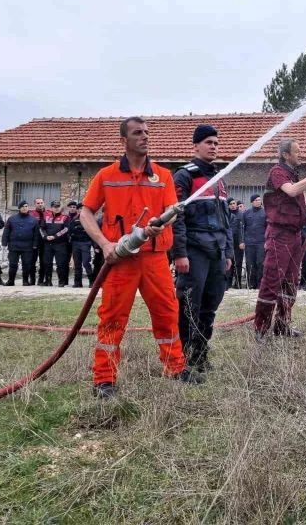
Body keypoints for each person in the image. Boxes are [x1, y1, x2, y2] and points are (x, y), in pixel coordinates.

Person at [80, 116, 189, 399]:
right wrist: (105, 244)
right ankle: (104, 380)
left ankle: (175, 368)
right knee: (113, 318)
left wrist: (160, 224)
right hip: (121, 259)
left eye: (146, 132)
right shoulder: (107, 175)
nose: (144, 137)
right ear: (123, 140)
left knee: (167, 313)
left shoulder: (163, 176)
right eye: (137, 133)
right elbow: (86, 212)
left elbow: (171, 212)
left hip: (155, 259)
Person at [172, 124, 234, 374]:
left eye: (216, 143)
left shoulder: (219, 179)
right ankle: (185, 356)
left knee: (210, 304)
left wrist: (228, 252)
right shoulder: (184, 176)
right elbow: (177, 218)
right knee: (190, 305)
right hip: (194, 251)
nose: (213, 147)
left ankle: (201, 353)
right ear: (195, 145)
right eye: (208, 142)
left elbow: (226, 219)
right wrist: (180, 253)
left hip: (217, 252)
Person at [253, 140, 306, 341]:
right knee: (272, 281)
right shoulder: (277, 172)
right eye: (298, 151)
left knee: (290, 283)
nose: (301, 154)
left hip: (294, 235)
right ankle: (261, 328)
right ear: (286, 154)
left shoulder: (292, 174)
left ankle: (282, 325)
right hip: (279, 235)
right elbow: (292, 191)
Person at [1, 200, 40, 286]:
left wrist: (35, 245)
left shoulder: (33, 220)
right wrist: (4, 242)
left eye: (26, 206)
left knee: (26, 265)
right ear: (19, 208)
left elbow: (36, 234)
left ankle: (25, 281)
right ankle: (11, 281)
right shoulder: (12, 219)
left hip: (28, 246)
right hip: (14, 246)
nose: (25, 208)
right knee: (13, 264)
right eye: (23, 206)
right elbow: (6, 231)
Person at [40, 200, 71, 287]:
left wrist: (55, 236)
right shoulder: (45, 216)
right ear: (51, 207)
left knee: (61, 263)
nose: (56, 208)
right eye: (54, 206)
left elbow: (66, 229)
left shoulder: (65, 217)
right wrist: (46, 237)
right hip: (48, 243)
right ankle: (48, 281)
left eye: (58, 206)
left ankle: (61, 281)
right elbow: (41, 228)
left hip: (60, 243)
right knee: (47, 262)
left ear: (61, 207)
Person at [241, 193, 266, 289]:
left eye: (259, 200)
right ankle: (251, 284)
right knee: (250, 264)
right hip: (249, 242)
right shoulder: (246, 213)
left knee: (260, 263)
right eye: (255, 200)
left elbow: (268, 228)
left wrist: (267, 241)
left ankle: (260, 284)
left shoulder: (265, 213)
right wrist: (242, 241)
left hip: (261, 242)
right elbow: (242, 228)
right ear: (252, 202)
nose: (258, 202)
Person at [67, 200, 94, 288]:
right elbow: (69, 231)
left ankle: (91, 281)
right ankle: (77, 282)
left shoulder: (90, 219)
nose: (81, 210)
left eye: (83, 209)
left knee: (86, 262)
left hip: (86, 243)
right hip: (76, 243)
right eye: (80, 209)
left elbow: (93, 233)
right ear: (77, 210)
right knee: (77, 263)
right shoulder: (73, 220)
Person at [28, 198, 52, 285]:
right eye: (38, 203)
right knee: (32, 261)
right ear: (35, 204)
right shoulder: (30, 214)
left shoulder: (49, 213)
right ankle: (32, 279)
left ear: (44, 203)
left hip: (45, 242)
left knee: (43, 261)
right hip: (34, 241)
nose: (40, 204)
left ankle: (41, 280)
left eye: (41, 203)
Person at [226, 197, 244, 289]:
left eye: (234, 203)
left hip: (238, 243)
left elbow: (242, 229)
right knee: (229, 263)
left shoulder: (241, 214)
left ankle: (238, 283)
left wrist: (242, 241)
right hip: (228, 243)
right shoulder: (226, 214)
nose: (233, 205)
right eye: (231, 204)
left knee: (238, 263)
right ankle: (228, 284)